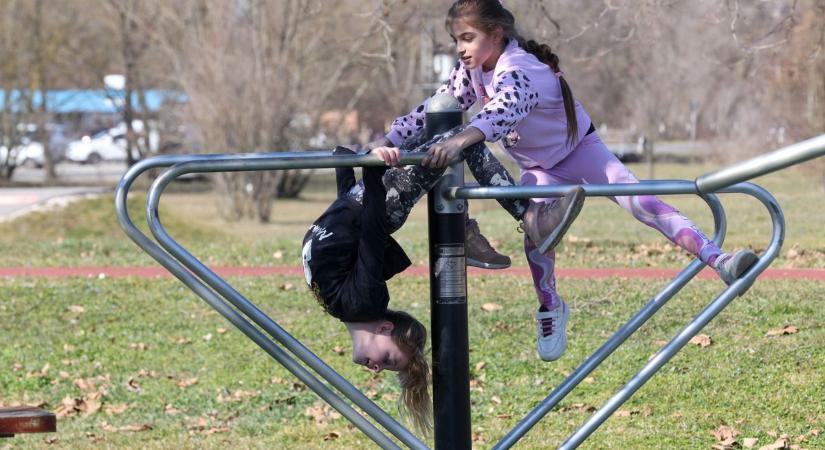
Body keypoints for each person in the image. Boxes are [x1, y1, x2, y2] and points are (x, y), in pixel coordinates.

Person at [369, 0, 759, 363]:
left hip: (582, 152)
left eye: (467, 38)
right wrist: (389, 140)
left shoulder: (523, 68)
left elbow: (506, 109)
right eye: (456, 40)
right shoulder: (472, 71)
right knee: (535, 235)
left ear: (496, 34)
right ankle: (550, 306)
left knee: (640, 201)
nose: (460, 48)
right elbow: (436, 106)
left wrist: (463, 137)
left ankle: (719, 260)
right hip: (540, 167)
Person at [302, 129, 576, 433]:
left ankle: (466, 231)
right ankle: (527, 217)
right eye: (390, 360)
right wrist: (370, 168)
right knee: (458, 140)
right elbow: (371, 235)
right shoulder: (365, 303)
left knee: (436, 130)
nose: (377, 369)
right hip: (385, 201)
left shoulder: (339, 306)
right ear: (384, 328)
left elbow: (340, 226)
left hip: (371, 194)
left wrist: (346, 168)